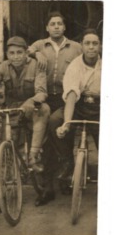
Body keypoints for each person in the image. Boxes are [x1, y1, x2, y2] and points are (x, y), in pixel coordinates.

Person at [27, 11, 83, 206]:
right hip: (45, 98)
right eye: (53, 24)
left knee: (64, 135)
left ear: (65, 27)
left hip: (67, 97)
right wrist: (36, 53)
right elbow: (23, 52)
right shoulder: (40, 45)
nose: (57, 26)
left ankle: (67, 179)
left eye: (60, 23)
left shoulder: (76, 47)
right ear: (47, 27)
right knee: (45, 143)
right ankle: (47, 189)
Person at [0, 36, 50, 172]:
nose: (16, 57)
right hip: (11, 110)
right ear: (7, 54)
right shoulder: (3, 67)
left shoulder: (36, 66)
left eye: (19, 52)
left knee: (44, 109)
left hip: (30, 109)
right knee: (7, 143)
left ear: (26, 53)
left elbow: (42, 93)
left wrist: (31, 101)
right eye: (12, 53)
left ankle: (33, 155)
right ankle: (6, 176)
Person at [51, 28, 101, 183]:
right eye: (87, 43)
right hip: (79, 105)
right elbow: (72, 95)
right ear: (81, 46)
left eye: (95, 43)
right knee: (55, 120)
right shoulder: (75, 65)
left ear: (100, 46)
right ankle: (67, 161)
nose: (91, 47)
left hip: (100, 108)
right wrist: (66, 123)